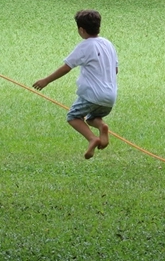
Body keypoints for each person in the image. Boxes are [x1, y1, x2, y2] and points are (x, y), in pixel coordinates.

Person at [33, 10, 118, 159]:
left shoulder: (85, 46)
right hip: (110, 97)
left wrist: (46, 80)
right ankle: (102, 126)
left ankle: (92, 138)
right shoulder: (108, 44)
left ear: (81, 30)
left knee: (73, 116)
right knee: (91, 118)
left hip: (91, 95)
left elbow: (67, 67)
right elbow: (115, 70)